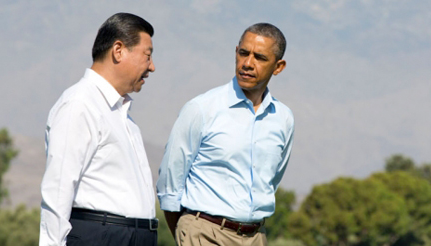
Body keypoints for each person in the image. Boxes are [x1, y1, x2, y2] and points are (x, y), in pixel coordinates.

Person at [156, 23, 294, 246]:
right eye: (243, 53)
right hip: (204, 233)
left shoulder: (283, 118)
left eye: (259, 57)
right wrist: (187, 234)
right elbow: (170, 184)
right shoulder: (201, 108)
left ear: (278, 67)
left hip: (256, 237)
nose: (247, 64)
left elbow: (271, 181)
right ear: (235, 52)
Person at [39, 13, 157, 246]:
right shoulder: (79, 105)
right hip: (101, 237)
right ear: (118, 50)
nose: (152, 67)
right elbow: (58, 189)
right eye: (147, 55)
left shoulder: (122, 114)